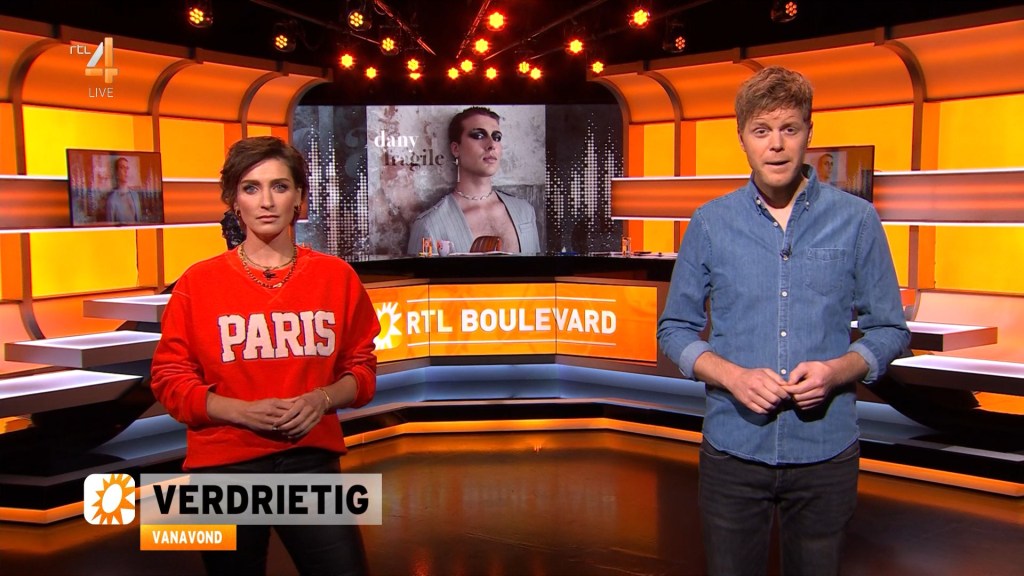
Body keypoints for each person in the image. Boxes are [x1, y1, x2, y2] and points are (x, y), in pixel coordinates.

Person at [656, 66, 909, 576]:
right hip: (733, 449)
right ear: (742, 138)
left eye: (789, 129)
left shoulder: (857, 220)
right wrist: (732, 376)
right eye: (761, 130)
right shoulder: (710, 223)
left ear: (808, 133)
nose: (776, 144)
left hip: (825, 452)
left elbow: (890, 329)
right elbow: (674, 329)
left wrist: (837, 371)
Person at [150, 136, 380, 576]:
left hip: (309, 460)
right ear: (234, 201)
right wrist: (240, 411)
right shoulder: (197, 283)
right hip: (222, 465)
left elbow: (362, 370)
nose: (267, 201)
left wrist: (321, 399)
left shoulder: (337, 277)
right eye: (251, 188)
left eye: (280, 186)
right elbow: (169, 379)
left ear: (299, 198)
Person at [406, 106, 540, 254]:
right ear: (456, 149)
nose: (492, 145)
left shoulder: (524, 212)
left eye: (497, 137)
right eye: (479, 135)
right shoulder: (430, 225)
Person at [105, 156, 143, 223]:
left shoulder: (135, 195)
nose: (126, 171)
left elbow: (139, 221)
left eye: (127, 168)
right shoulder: (112, 200)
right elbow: (110, 225)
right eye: (122, 167)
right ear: (117, 173)